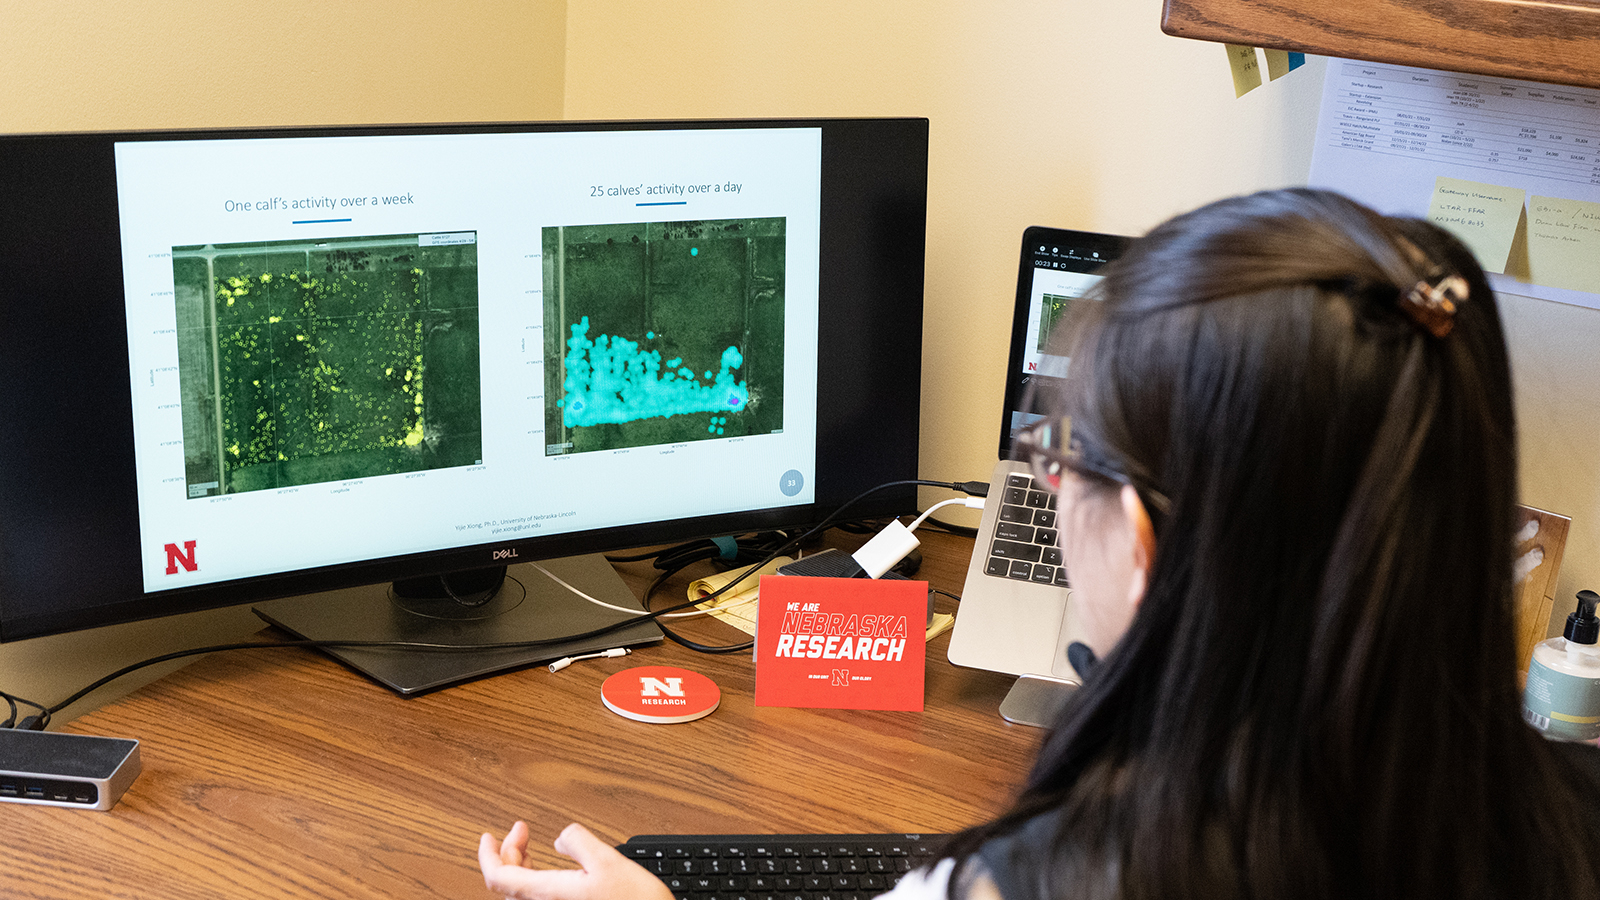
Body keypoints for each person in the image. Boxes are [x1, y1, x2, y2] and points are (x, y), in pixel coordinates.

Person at [478, 189, 1600, 900]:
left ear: (1145, 545)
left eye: (1065, 454)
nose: (1047, 482)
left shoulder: (1038, 880)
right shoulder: (1554, 814)